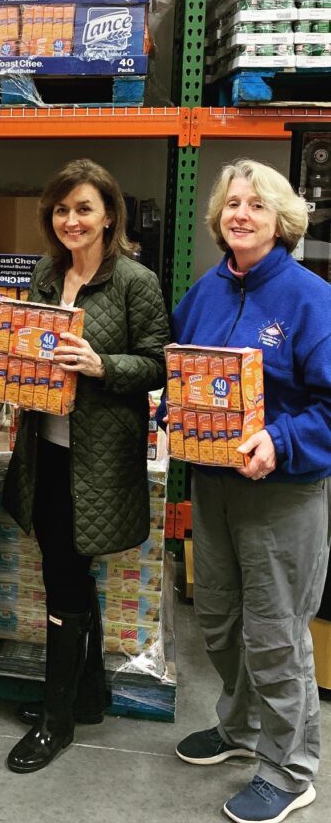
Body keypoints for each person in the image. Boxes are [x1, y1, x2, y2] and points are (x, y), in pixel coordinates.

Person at [171, 159, 331, 823]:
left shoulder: (308, 297)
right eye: (231, 203)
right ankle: (238, 729)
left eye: (255, 205)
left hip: (282, 494)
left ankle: (289, 768)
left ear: (280, 220)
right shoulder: (204, 292)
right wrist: (170, 412)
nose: (239, 213)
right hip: (212, 487)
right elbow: (180, 370)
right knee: (216, 619)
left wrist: (281, 441)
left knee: (274, 634)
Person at [2, 158, 169, 774]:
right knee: (62, 568)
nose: (72, 220)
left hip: (96, 459)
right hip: (45, 449)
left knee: (67, 579)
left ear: (108, 216)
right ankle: (87, 695)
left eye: (84, 209)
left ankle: (56, 720)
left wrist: (102, 366)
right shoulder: (47, 273)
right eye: (62, 209)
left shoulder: (135, 282)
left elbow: (158, 364)